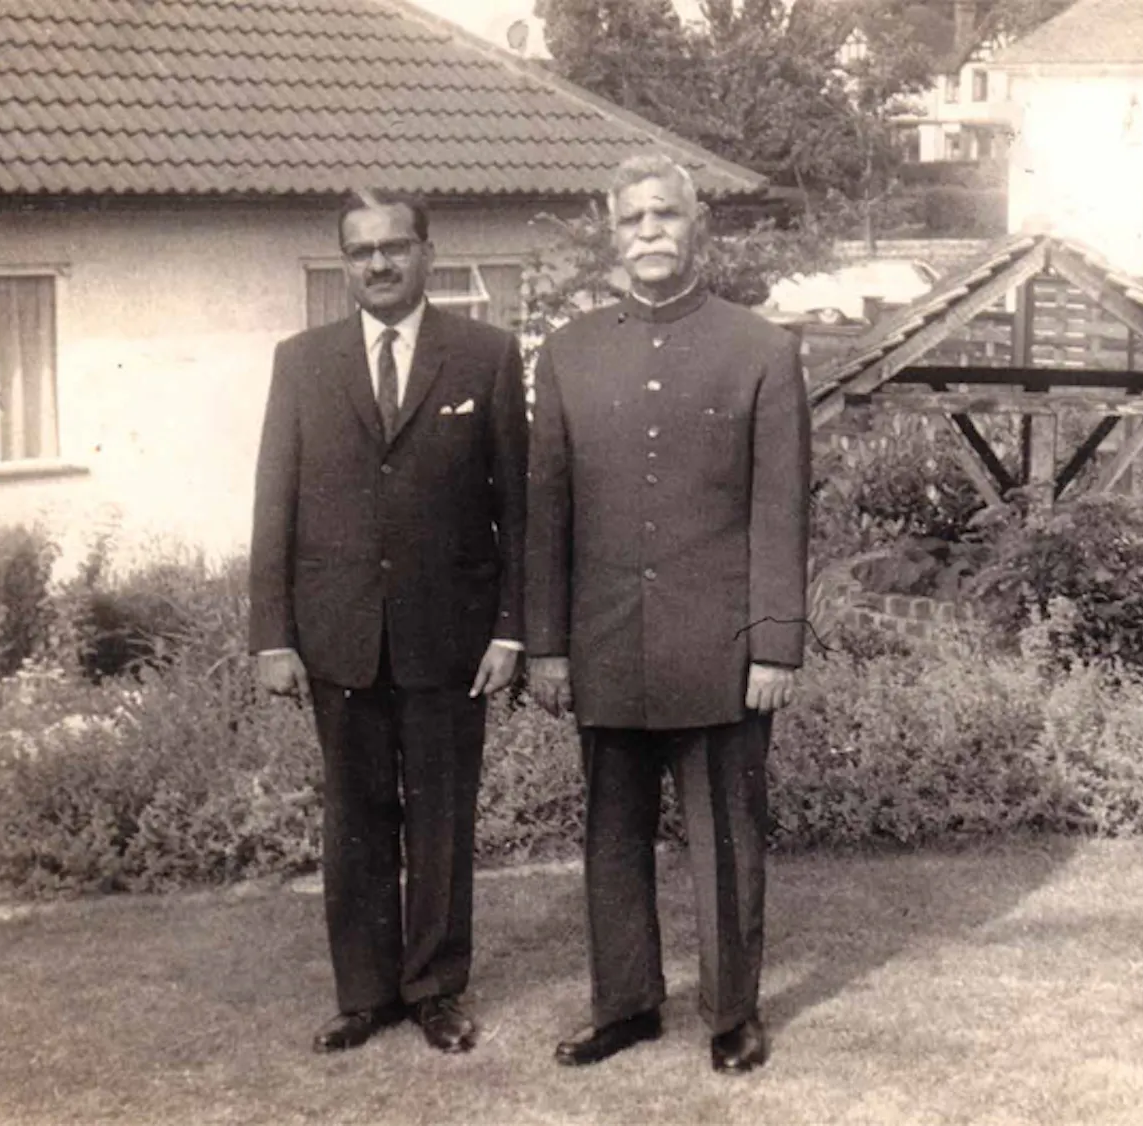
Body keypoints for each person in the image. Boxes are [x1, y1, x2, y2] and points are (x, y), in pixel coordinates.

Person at [525, 153, 810, 1074]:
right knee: (611, 838)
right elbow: (547, 511)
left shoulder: (761, 350)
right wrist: (547, 646)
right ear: (613, 235)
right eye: (631, 219)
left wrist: (775, 646)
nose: (648, 232)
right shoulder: (568, 352)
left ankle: (731, 1014)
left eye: (665, 215)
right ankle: (625, 1005)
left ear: (698, 227)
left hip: (720, 649)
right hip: (605, 641)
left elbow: (779, 511)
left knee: (726, 842)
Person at [249, 188, 527, 1056]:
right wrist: (271, 633)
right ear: (344, 264)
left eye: (394, 247)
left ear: (426, 254)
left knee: (442, 820)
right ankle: (365, 993)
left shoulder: (485, 355)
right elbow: (274, 502)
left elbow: (518, 508)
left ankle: (435, 990)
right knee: (356, 820)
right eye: (361, 251)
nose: (378, 263)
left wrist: (511, 629)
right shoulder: (302, 361)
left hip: (451, 639)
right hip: (340, 636)